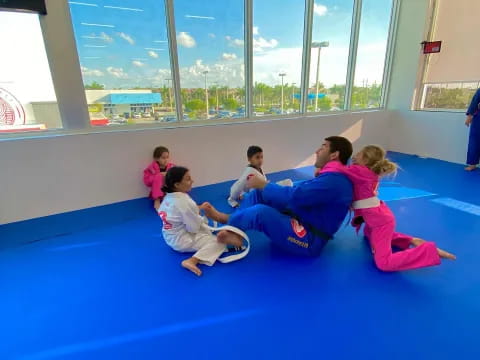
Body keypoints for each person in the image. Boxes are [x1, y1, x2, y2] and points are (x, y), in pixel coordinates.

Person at [203, 136, 354, 256]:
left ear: (334, 154)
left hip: (309, 240)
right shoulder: (332, 176)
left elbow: (296, 197)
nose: (317, 151)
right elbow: (302, 190)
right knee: (258, 193)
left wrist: (263, 184)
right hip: (302, 217)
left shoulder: (333, 181)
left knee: (261, 212)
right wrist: (263, 187)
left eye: (323, 147)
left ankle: (230, 222)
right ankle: (233, 228)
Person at [338, 145, 455, 272]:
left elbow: (338, 170)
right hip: (378, 216)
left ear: (366, 160)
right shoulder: (366, 172)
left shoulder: (359, 171)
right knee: (368, 234)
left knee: (384, 263)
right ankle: (411, 240)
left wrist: (322, 170)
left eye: (359, 154)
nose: (354, 156)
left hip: (381, 222)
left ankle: (428, 251)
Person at [158, 166, 246, 276]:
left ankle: (221, 238)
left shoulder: (168, 198)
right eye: (188, 179)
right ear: (177, 185)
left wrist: (198, 208)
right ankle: (192, 260)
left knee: (204, 226)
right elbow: (193, 228)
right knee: (216, 242)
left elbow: (179, 214)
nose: (192, 181)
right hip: (182, 240)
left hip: (169, 236)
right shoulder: (184, 201)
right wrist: (200, 217)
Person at [465, 88, 480, 171]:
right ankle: (472, 164)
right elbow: (475, 103)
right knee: (474, 141)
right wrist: (469, 116)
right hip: (478, 118)